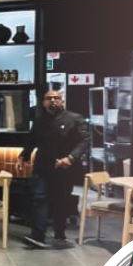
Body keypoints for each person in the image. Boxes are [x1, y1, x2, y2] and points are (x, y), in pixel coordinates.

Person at [18, 89, 89, 248]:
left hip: (64, 166)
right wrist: (24, 156)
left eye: (56, 98)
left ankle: (60, 235)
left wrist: (70, 158)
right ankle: (38, 236)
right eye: (48, 98)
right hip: (42, 165)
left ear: (62, 101)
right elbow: (32, 140)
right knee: (39, 198)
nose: (52, 101)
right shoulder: (39, 121)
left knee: (61, 200)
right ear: (43, 102)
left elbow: (85, 141)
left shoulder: (75, 119)